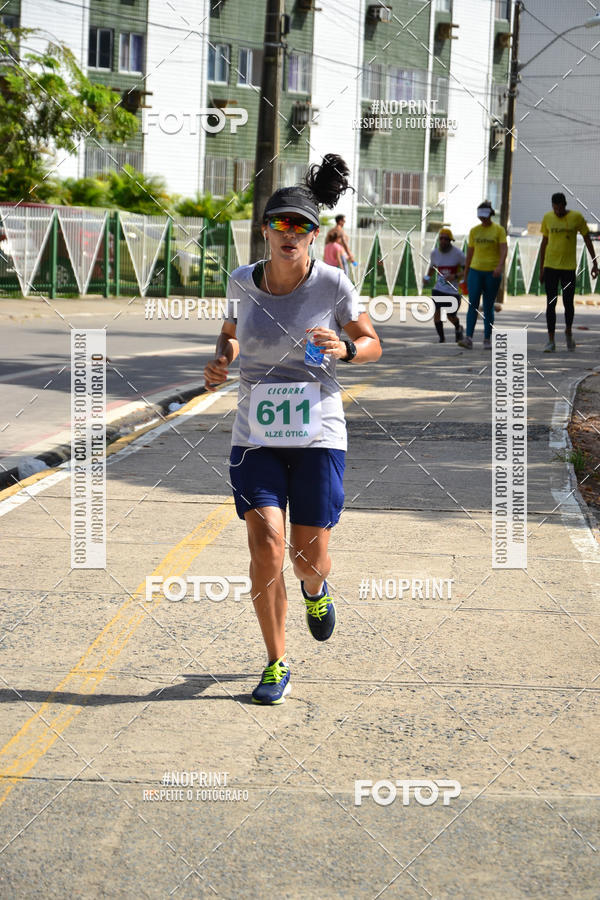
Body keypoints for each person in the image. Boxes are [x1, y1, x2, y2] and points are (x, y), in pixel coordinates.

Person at [203, 154, 382, 705]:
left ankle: (316, 587)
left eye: (301, 226)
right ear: (265, 230)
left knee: (306, 559)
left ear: (312, 235)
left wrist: (345, 348)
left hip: (317, 433)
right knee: (266, 545)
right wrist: (222, 357)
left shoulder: (332, 284)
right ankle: (276, 661)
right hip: (254, 435)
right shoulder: (242, 281)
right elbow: (231, 332)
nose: (290, 233)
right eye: (280, 223)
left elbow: (373, 344)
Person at [540, 192, 598, 352]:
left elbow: (587, 239)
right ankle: (551, 340)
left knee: (568, 302)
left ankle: (568, 331)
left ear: (564, 205)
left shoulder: (576, 217)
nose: (557, 211)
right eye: (555, 208)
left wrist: (595, 263)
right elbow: (544, 243)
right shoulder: (548, 218)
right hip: (551, 266)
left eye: (560, 208)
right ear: (552, 207)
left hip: (568, 268)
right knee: (550, 303)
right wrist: (541, 268)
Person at [458, 201, 507, 350]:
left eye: (485, 216)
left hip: (492, 272)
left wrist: (499, 266)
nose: (482, 219)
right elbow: (470, 253)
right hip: (475, 271)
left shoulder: (498, 230)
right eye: (480, 216)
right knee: (473, 303)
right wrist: (466, 274)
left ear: (490, 214)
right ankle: (469, 338)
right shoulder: (474, 231)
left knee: (488, 305)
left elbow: (504, 250)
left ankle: (487, 339)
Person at [423, 227, 465, 343]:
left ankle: (458, 327)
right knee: (437, 312)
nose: (443, 241)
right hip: (438, 289)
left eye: (446, 239)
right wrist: (427, 277)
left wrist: (455, 276)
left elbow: (467, 270)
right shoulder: (434, 253)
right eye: (441, 238)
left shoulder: (458, 254)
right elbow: (432, 267)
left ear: (450, 240)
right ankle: (441, 338)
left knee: (450, 315)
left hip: (453, 291)